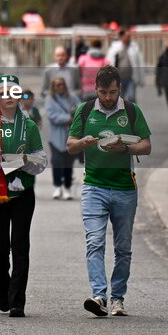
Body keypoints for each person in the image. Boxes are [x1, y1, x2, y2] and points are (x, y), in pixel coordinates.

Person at [67, 65, 152, 317]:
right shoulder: (84, 111)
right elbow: (70, 145)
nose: (107, 98)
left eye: (112, 92)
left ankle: (118, 298)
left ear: (120, 89)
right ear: (95, 89)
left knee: (123, 247)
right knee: (94, 241)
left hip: (125, 188)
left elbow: (146, 145)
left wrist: (125, 149)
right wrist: (82, 142)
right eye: (103, 92)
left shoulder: (132, 111)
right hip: (93, 186)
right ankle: (99, 295)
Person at [0, 74, 47, 318]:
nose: (9, 98)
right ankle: (2, 288)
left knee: (20, 246)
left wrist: (23, 161)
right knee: (0, 248)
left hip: (23, 192)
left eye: (14, 93)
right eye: (4, 93)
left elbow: (41, 160)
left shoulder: (30, 126)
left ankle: (18, 301)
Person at [45, 77, 80, 200]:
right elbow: (51, 115)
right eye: (57, 85)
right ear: (53, 87)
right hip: (55, 137)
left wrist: (74, 116)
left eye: (62, 84)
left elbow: (80, 111)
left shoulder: (73, 98)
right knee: (56, 161)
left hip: (71, 137)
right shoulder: (50, 100)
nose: (60, 87)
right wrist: (67, 118)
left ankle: (67, 187)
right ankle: (57, 186)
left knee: (68, 163)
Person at [106, 30, 144, 102]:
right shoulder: (115, 48)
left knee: (131, 98)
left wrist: (141, 79)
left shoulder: (134, 48)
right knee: (120, 99)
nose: (127, 38)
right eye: (126, 36)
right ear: (122, 37)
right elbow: (109, 61)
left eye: (129, 37)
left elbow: (139, 63)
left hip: (131, 78)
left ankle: (132, 112)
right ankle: (121, 113)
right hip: (118, 79)